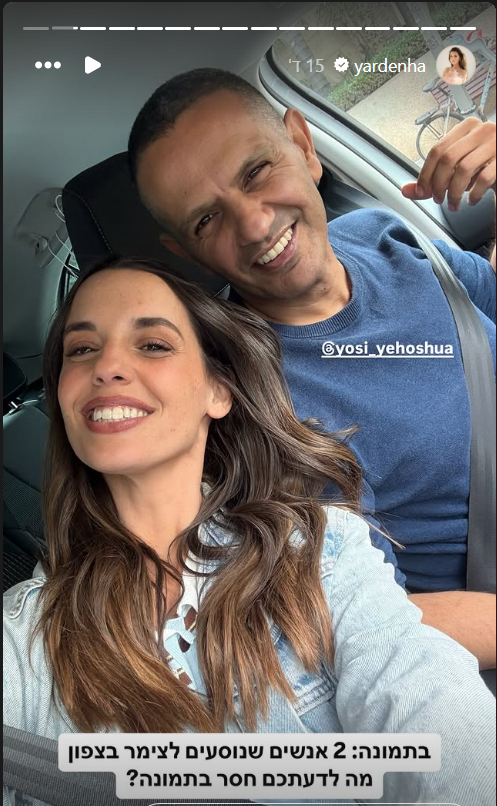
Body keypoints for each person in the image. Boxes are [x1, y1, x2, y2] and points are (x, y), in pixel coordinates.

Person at [3, 257, 496, 806]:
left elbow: (435, 718)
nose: (108, 366)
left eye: (154, 345)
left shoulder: (319, 549)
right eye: (81, 349)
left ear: (219, 391)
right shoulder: (25, 637)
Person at [127, 69, 496, 670]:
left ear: (303, 144)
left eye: (255, 171)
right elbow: (373, 612)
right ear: (186, 252)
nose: (254, 224)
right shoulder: (254, 405)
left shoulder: (380, 232)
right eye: (206, 221)